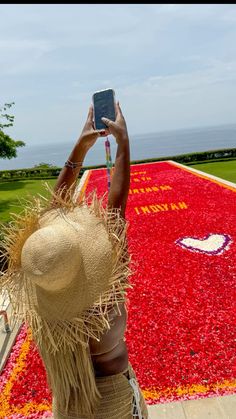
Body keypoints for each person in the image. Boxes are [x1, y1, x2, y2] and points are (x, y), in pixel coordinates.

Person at [0, 102, 148, 419]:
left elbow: (52, 228)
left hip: (68, 407)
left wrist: (80, 146)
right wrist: (122, 144)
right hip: (114, 406)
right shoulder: (102, 299)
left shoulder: (42, 297)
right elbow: (115, 209)